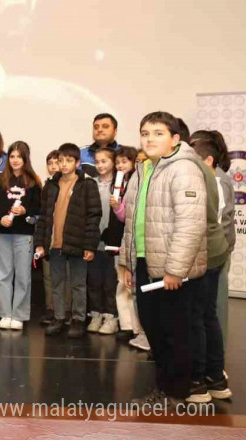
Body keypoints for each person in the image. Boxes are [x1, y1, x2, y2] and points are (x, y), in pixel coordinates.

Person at [120, 112, 207, 406]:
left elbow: (190, 224)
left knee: (175, 333)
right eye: (145, 133)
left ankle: (177, 393)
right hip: (145, 262)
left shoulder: (184, 169)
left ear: (175, 139)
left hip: (172, 269)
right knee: (154, 330)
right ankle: (164, 389)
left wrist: (175, 270)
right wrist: (126, 262)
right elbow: (131, 222)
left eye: (158, 133)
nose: (150, 138)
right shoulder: (143, 169)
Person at [35, 143, 101, 338]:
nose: (63, 164)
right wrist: (41, 241)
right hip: (55, 243)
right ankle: (59, 317)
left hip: (78, 244)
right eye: (60, 160)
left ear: (77, 163)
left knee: (78, 284)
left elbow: (93, 216)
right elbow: (43, 216)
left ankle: (78, 319)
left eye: (68, 160)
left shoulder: (87, 184)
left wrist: (90, 245)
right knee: (57, 282)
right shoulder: (51, 185)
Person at [188, 132, 232, 402]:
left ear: (207, 159)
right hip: (213, 251)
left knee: (198, 318)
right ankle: (215, 378)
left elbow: (205, 221)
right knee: (207, 316)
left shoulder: (210, 180)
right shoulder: (214, 178)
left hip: (205, 253)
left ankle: (198, 381)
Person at [0, 141, 42, 330]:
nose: (15, 160)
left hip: (24, 235)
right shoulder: (0, 181)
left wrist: (26, 210)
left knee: (23, 276)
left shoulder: (33, 182)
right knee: (2, 275)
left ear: (25, 158)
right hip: (3, 234)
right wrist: (0, 219)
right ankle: (4, 313)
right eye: (12, 156)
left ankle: (18, 314)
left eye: (19, 156)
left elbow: (39, 208)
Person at [106, 146, 147, 349]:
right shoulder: (118, 182)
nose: (121, 165)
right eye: (118, 162)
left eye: (126, 162)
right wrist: (115, 205)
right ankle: (127, 324)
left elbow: (129, 214)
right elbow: (121, 214)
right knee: (121, 284)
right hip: (119, 241)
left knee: (132, 286)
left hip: (134, 242)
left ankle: (138, 328)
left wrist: (119, 207)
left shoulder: (138, 182)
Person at [86, 147, 120, 334]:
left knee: (110, 281)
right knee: (94, 280)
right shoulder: (90, 183)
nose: (100, 165)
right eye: (97, 162)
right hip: (93, 240)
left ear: (113, 162)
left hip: (112, 241)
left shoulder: (119, 184)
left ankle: (111, 316)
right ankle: (96, 314)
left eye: (104, 161)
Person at [39, 150, 63, 325]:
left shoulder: (72, 184)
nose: (54, 166)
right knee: (48, 277)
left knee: (65, 278)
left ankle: (65, 310)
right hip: (49, 237)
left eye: (57, 162)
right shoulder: (47, 186)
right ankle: (50, 308)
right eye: (50, 163)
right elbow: (43, 215)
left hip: (64, 240)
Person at [80, 113, 121, 178]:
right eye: (96, 127)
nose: (99, 130)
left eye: (105, 126)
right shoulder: (80, 153)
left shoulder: (123, 153)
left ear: (115, 131)